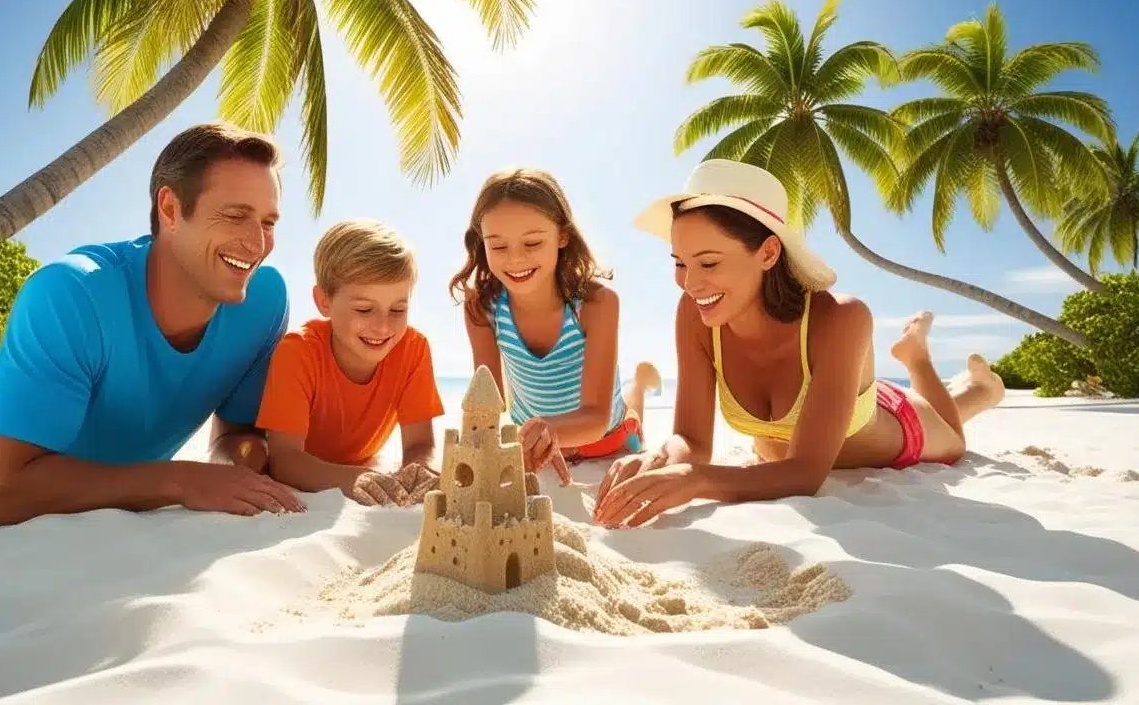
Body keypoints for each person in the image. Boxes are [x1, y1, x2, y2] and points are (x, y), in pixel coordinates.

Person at [0, 122, 307, 526]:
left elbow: (235, 436)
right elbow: (2, 494)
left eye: (268, 222)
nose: (257, 243)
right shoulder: (68, 292)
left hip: (59, 373)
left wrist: (236, 467)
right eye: (235, 215)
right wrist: (181, 481)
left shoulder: (264, 302)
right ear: (170, 209)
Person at [592, 159, 1006, 528]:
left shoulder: (842, 318)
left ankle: (924, 362)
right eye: (680, 263)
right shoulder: (696, 314)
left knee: (954, 440)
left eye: (709, 262)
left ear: (768, 252)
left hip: (898, 425)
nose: (690, 282)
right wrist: (662, 457)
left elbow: (806, 473)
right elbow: (693, 441)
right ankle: (938, 370)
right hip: (823, 403)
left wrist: (695, 480)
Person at [448, 167, 663, 487]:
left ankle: (639, 386)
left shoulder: (596, 304)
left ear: (562, 235)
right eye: (499, 246)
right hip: (534, 445)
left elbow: (597, 416)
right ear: (482, 243)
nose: (515, 259)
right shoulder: (483, 306)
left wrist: (551, 431)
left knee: (629, 417)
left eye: (532, 243)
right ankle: (638, 383)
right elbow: (489, 404)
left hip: (606, 440)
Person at [255, 219, 446, 507]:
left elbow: (420, 444)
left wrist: (420, 472)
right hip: (302, 466)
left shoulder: (413, 349)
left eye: (398, 309)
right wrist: (353, 478)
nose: (383, 327)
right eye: (364, 309)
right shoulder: (297, 352)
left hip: (360, 463)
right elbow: (284, 461)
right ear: (324, 302)